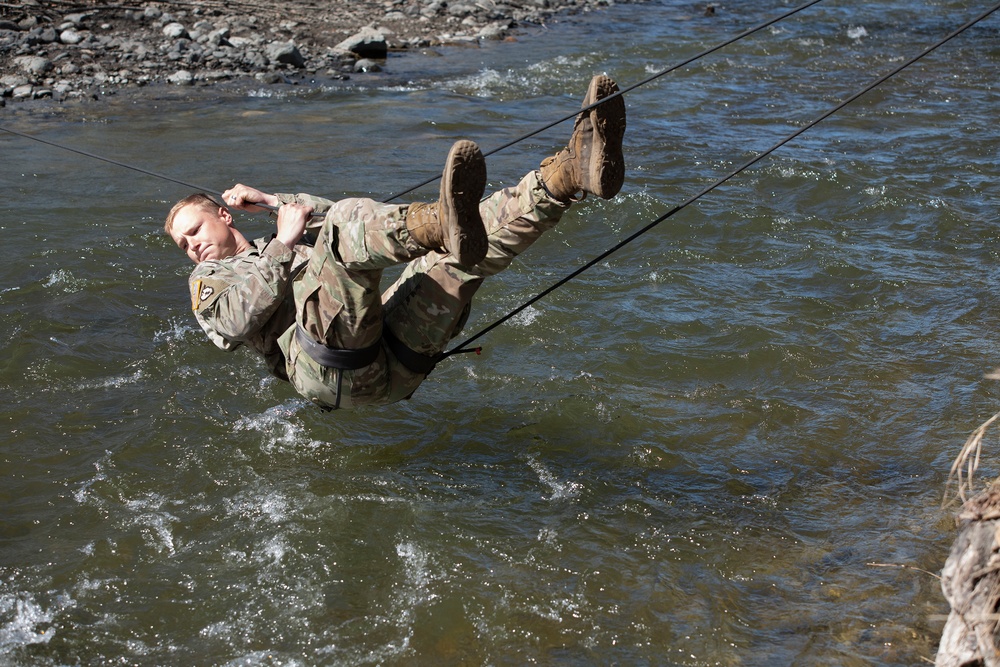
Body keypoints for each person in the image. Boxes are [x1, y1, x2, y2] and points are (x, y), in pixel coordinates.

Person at [165, 74, 626, 410]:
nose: (192, 245)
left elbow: (341, 222)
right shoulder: (208, 281)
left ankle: (567, 176)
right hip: (329, 370)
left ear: (224, 216)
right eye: (182, 243)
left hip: (395, 362)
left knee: (457, 258)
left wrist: (271, 202)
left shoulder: (274, 237)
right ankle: (442, 223)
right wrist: (284, 244)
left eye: (195, 230)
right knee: (349, 225)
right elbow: (235, 322)